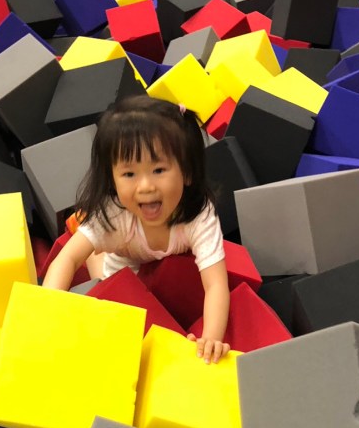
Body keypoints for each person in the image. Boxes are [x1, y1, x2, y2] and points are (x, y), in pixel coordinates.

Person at [42, 96, 231, 364]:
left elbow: (216, 284)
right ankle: (86, 230)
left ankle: (91, 234)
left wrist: (210, 338)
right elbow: (68, 258)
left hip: (162, 254)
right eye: (129, 174)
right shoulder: (115, 214)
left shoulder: (199, 215)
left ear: (187, 172)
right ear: (112, 179)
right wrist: (48, 308)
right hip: (124, 255)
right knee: (110, 287)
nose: (145, 186)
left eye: (159, 170)